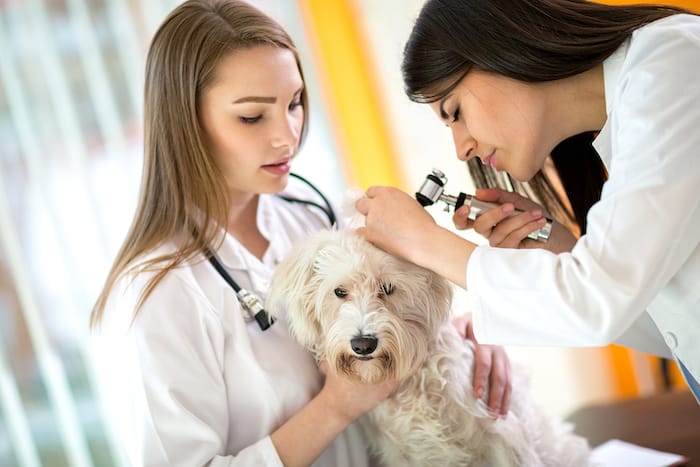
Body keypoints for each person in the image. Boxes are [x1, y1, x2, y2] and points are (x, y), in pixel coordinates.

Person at [90, 1, 511, 465]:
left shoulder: (317, 218)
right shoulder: (158, 295)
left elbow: (379, 329)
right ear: (185, 123)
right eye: (253, 116)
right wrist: (336, 406)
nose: (287, 136)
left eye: (294, 103)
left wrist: (459, 339)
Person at [356, 0, 700, 402]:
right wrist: (562, 253)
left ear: (498, 48)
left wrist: (424, 242)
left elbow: (598, 303)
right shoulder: (636, 109)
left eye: (455, 112)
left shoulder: (673, 65)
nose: (461, 148)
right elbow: (680, 331)